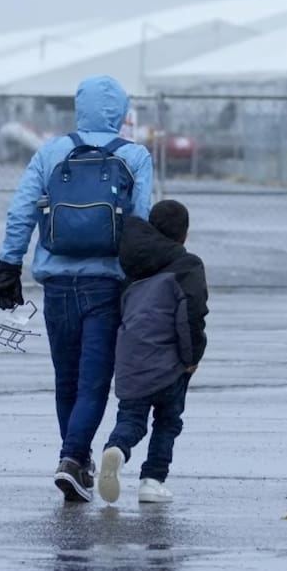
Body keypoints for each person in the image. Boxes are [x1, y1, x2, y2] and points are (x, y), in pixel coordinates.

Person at [0, 75, 153, 502]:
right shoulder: (134, 156)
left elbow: (22, 210)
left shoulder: (52, 151)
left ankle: (75, 462)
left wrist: (9, 265)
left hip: (57, 284)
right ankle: (72, 458)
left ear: (78, 109)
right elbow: (140, 221)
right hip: (106, 284)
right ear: (121, 112)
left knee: (66, 379)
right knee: (94, 383)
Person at [97, 199, 209, 504]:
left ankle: (116, 450)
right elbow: (191, 316)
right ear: (184, 234)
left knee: (132, 419)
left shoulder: (132, 264)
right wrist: (192, 358)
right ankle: (152, 481)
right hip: (170, 364)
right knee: (168, 422)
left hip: (132, 361)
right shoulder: (188, 266)